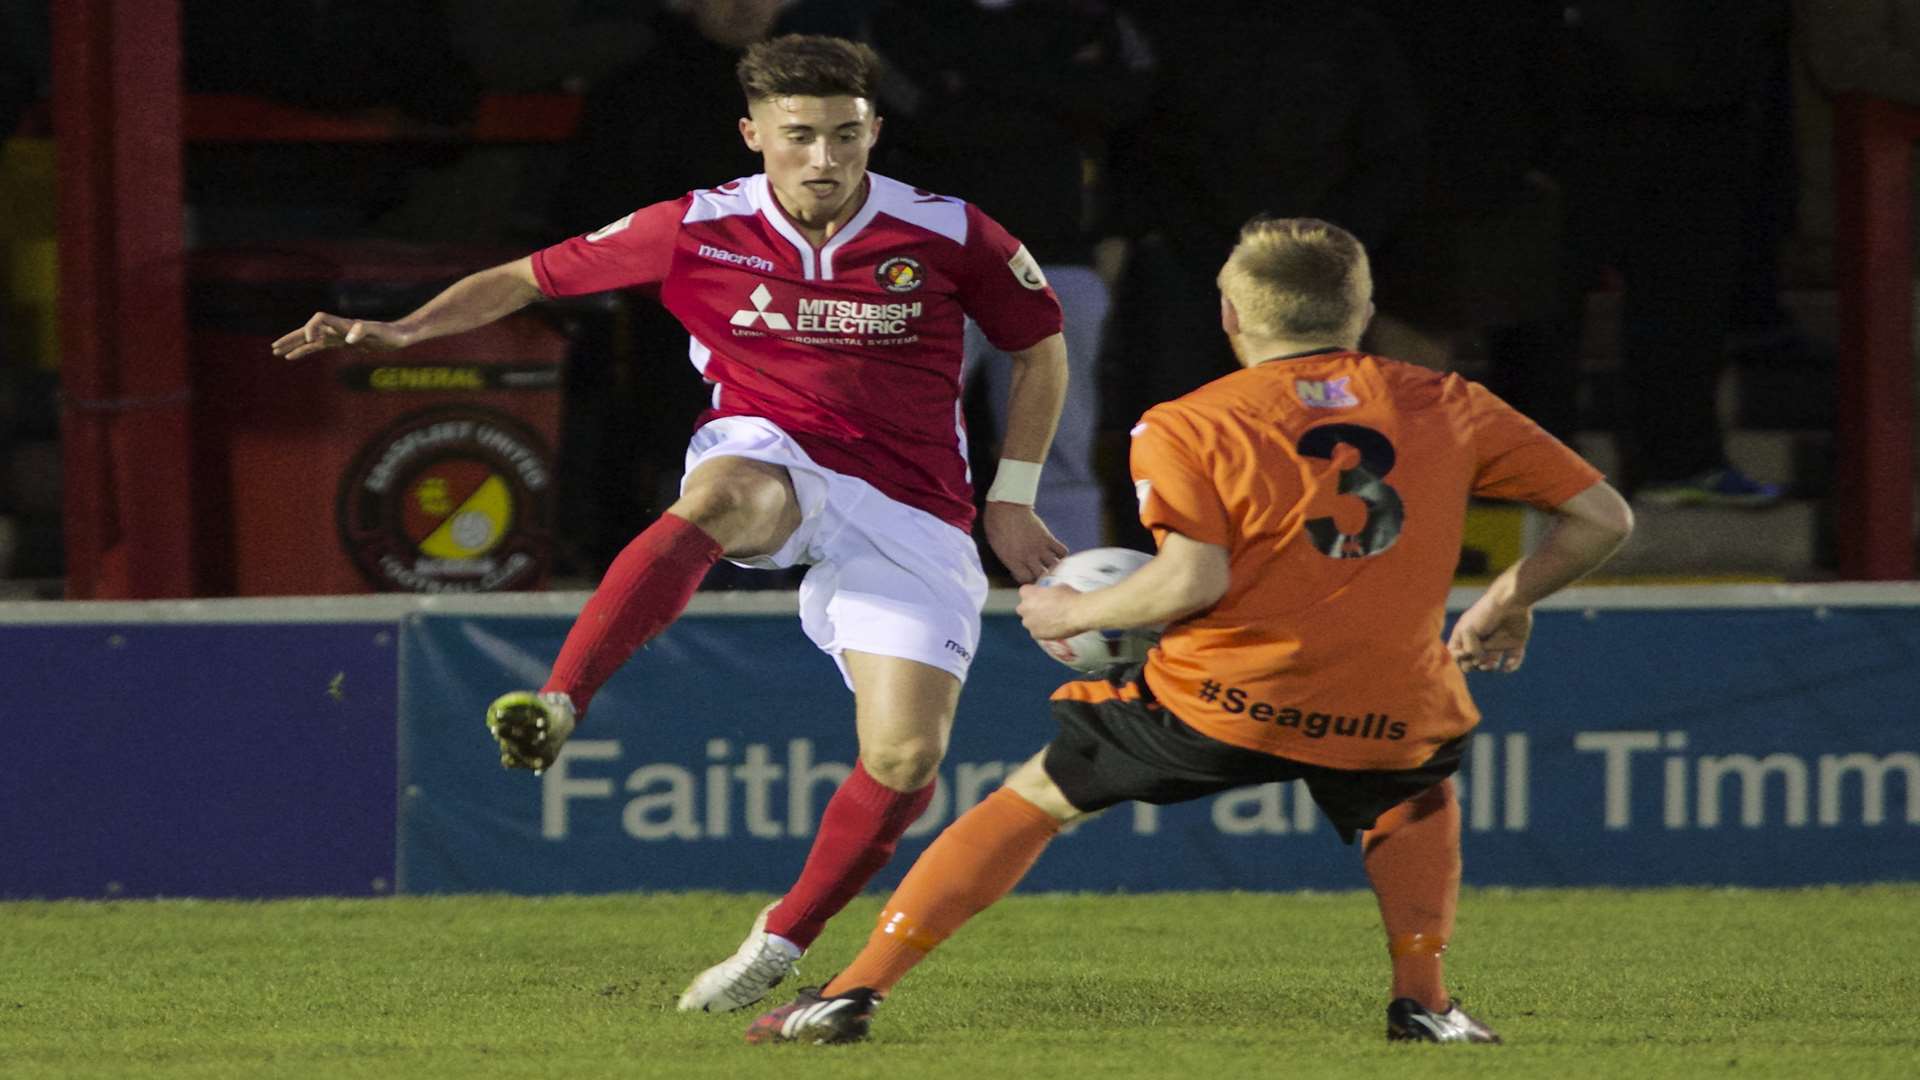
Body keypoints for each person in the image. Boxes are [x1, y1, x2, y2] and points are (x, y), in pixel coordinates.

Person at [272, 34, 1070, 1012]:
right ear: (753, 135)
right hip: (773, 448)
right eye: (800, 137)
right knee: (722, 494)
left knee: (906, 756)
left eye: (846, 137)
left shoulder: (948, 231)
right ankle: (562, 700)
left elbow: (1042, 350)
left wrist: (1011, 495)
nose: (823, 160)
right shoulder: (695, 226)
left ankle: (780, 942)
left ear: (875, 132)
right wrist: (398, 329)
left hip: (911, 504)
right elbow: (526, 276)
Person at [746, 217, 1634, 1046]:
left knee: (1035, 798)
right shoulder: (1448, 401)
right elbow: (1602, 517)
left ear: (1230, 315)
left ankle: (849, 991)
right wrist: (1508, 599)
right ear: (1361, 312)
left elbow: (1189, 580)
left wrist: (1072, 610)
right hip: (1388, 702)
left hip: (1222, 700)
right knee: (1414, 789)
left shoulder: (1191, 422)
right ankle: (1426, 1002)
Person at [865, 0, 1156, 555]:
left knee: (1058, 453)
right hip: (930, 265)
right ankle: (901, 589)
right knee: (907, 444)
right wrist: (1054, 90)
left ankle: (1073, 605)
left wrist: (973, 81)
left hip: (1056, 260)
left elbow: (1127, 102)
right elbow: (920, 116)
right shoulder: (900, 17)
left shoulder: (1088, 14)